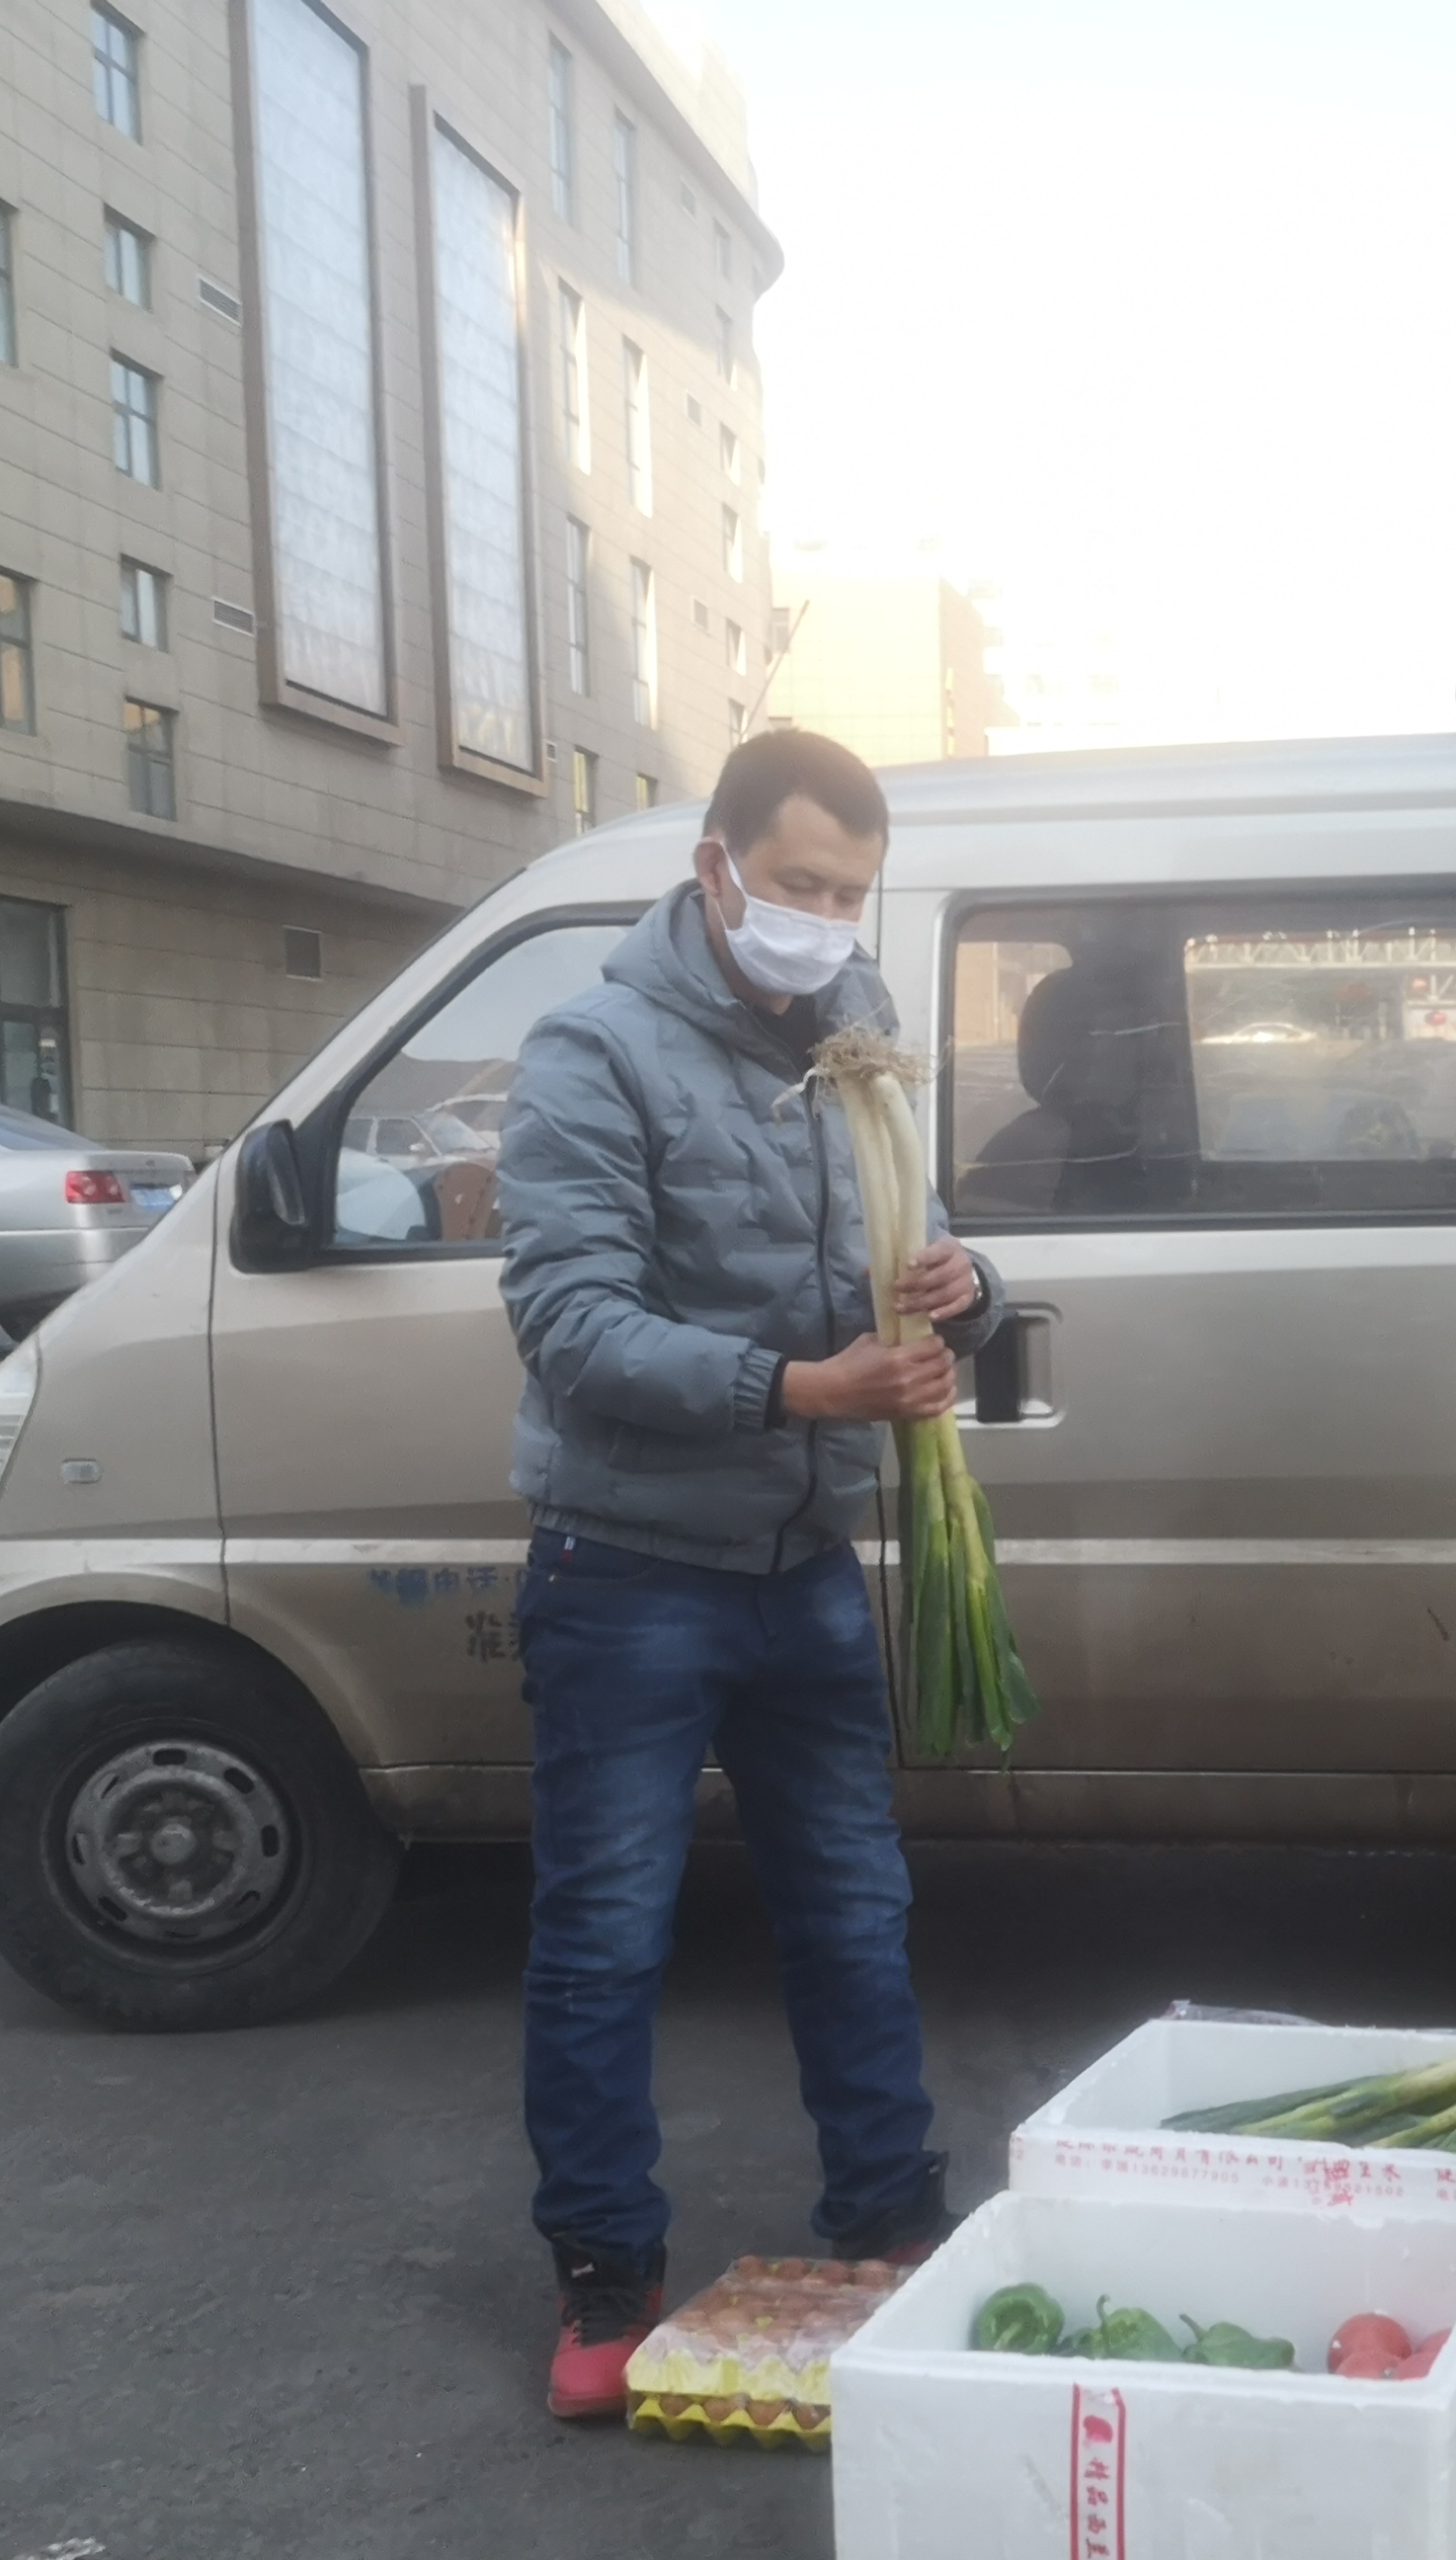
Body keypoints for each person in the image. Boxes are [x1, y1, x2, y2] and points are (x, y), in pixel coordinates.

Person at [495, 728, 1008, 2421]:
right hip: (629, 1573)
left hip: (804, 1563)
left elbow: (912, 1248)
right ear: (713, 866)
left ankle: (886, 2219)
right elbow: (569, 1325)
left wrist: (961, 1284)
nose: (822, 917)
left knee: (856, 1913)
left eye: (848, 892)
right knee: (604, 1936)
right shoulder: (595, 1051)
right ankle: (601, 2276)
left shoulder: (858, 1039)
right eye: (795, 885)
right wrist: (804, 1389)